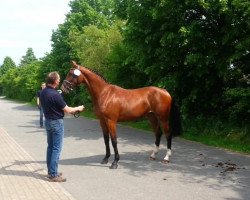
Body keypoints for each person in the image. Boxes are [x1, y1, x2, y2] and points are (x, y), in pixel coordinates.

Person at [40, 71, 84, 182]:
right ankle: (53, 174)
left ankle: (51, 171)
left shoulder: (43, 92)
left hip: (48, 122)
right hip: (56, 123)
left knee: (50, 147)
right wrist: (78, 108)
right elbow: (68, 110)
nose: (59, 81)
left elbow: (55, 106)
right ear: (55, 81)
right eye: (58, 79)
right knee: (56, 149)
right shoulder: (55, 94)